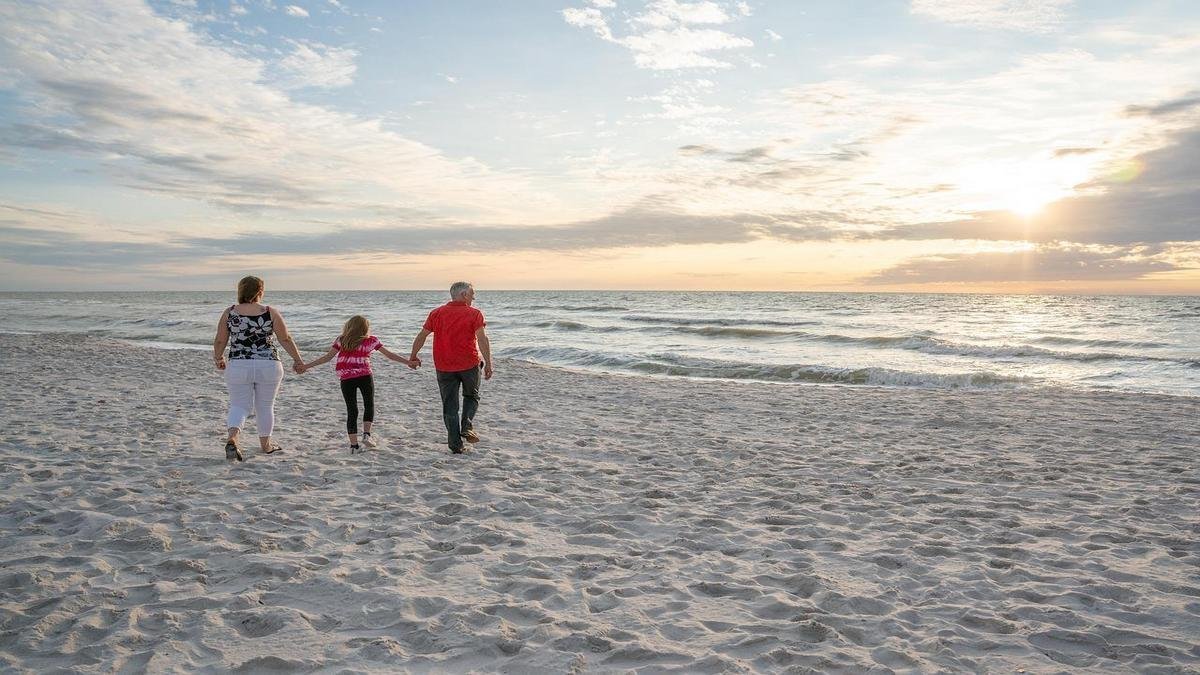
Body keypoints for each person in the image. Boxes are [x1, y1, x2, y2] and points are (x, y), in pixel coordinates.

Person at [213, 275, 305, 461]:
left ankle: (233, 438)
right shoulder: (270, 312)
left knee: (239, 405)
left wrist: (218, 357)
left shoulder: (230, 312)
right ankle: (266, 445)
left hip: (239, 364)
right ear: (260, 292)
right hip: (269, 364)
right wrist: (298, 360)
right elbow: (285, 339)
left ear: (240, 291)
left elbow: (221, 339)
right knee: (265, 406)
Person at [298, 315, 416, 453]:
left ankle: (354, 446)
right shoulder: (371, 340)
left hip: (346, 378)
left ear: (349, 326)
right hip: (365, 376)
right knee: (369, 404)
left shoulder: (341, 340)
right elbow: (389, 355)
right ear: (365, 328)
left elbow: (327, 358)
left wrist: (306, 366)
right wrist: (408, 362)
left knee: (352, 410)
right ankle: (366, 434)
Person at [408, 281, 493, 454]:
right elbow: (483, 339)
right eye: (472, 294)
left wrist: (413, 355)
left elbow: (422, 336)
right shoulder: (474, 314)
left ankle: (455, 445)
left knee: (450, 405)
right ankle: (466, 426)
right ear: (463, 295)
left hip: (444, 365)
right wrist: (488, 363)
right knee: (472, 396)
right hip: (469, 363)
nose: (473, 298)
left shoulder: (436, 313)